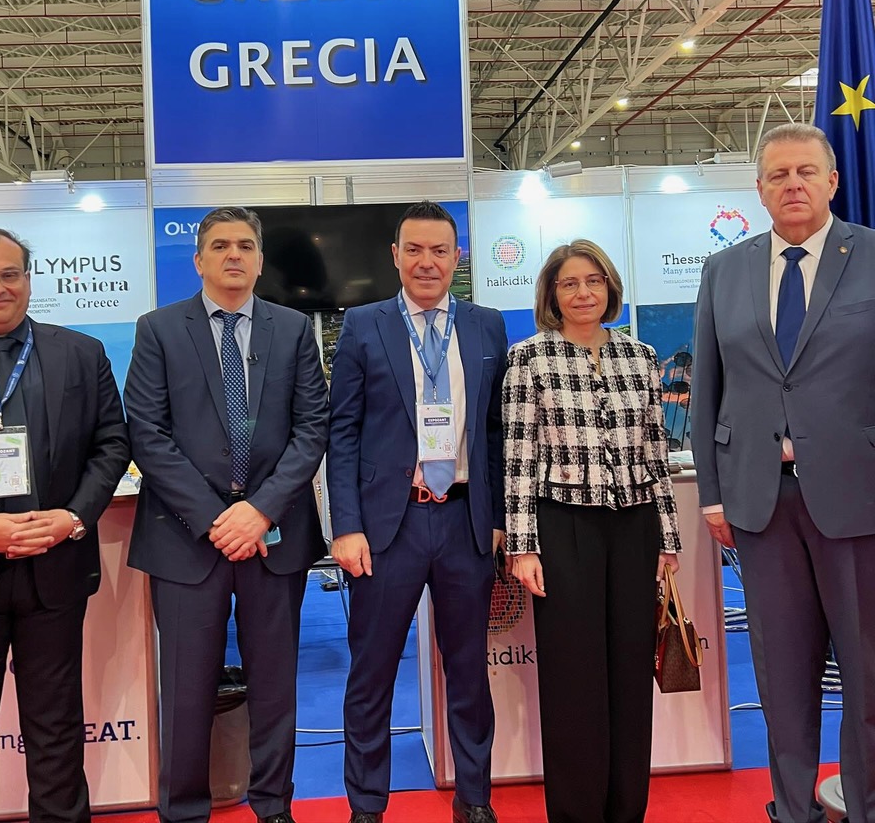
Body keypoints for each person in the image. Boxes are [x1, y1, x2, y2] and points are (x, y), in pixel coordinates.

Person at [0, 224, 130, 823]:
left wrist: (72, 517)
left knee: (57, 729)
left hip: (53, 570)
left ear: (29, 280)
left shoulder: (81, 353)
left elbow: (113, 444)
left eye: (10, 274)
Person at [692, 123, 875, 823]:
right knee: (781, 676)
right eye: (778, 174)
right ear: (760, 189)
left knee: (866, 672)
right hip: (759, 503)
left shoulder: (871, 256)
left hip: (857, 497)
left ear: (832, 181)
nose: (792, 184)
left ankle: (865, 805)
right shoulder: (724, 270)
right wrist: (712, 496)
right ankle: (793, 809)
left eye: (805, 171)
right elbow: (708, 389)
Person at [125, 206, 329, 823]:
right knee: (186, 689)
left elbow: (311, 429)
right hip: (187, 539)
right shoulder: (159, 329)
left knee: (276, 685)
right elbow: (147, 433)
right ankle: (184, 810)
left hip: (274, 536)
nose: (233, 254)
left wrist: (259, 511)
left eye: (244, 244)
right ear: (199, 260)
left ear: (260, 260)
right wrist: (219, 518)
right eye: (219, 245)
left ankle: (273, 806)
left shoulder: (293, 330)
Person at [328, 200, 508, 823]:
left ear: (457, 258)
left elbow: (494, 430)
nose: (426, 262)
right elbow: (342, 432)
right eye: (414, 250)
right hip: (388, 526)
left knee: (469, 671)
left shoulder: (487, 326)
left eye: (439, 250)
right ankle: (366, 806)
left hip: (464, 522)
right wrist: (346, 526)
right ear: (395, 256)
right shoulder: (364, 324)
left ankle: (475, 800)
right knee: (371, 672)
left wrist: (497, 517)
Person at [503, 239, 680, 823]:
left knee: (630, 674)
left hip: (634, 528)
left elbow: (656, 453)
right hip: (564, 528)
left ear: (610, 288)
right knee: (573, 679)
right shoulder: (529, 359)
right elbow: (519, 457)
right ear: (552, 294)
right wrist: (523, 545)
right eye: (570, 283)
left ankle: (627, 809)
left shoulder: (641, 356)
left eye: (594, 281)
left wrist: (667, 539)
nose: (583, 293)